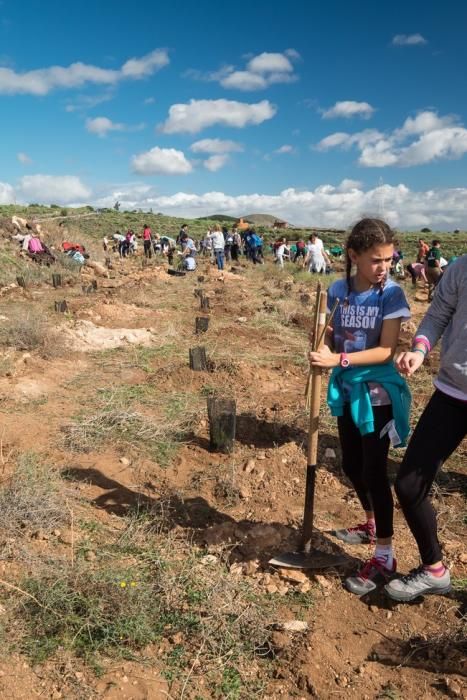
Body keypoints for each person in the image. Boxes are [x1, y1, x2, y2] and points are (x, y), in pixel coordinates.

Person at [309, 218, 411, 596]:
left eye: (388, 259)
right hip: (347, 391)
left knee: (373, 469)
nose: (383, 267)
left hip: (377, 395)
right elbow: (333, 337)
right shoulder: (339, 291)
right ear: (353, 256)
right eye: (375, 260)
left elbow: (386, 350)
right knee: (351, 464)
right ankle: (370, 524)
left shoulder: (391, 295)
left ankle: (385, 554)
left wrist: (339, 361)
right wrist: (323, 345)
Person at [385, 256, 467, 602]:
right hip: (452, 391)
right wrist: (420, 348)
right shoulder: (461, 267)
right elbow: (438, 314)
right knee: (408, 485)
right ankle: (434, 569)